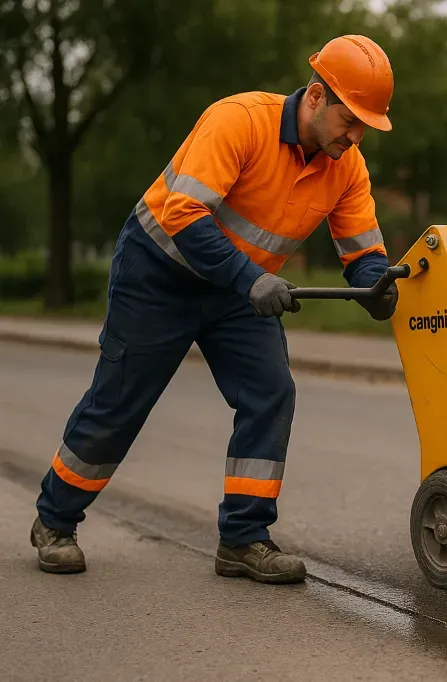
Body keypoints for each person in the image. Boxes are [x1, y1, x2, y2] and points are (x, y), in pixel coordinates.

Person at [28, 35, 398, 584]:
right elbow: (185, 215)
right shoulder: (238, 120)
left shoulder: (347, 167)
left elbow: (364, 252)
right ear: (317, 97)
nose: (357, 135)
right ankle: (54, 521)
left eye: (368, 124)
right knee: (120, 403)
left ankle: (244, 539)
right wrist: (252, 280)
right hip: (160, 272)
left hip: (238, 292)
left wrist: (377, 287)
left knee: (271, 393)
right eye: (351, 119)